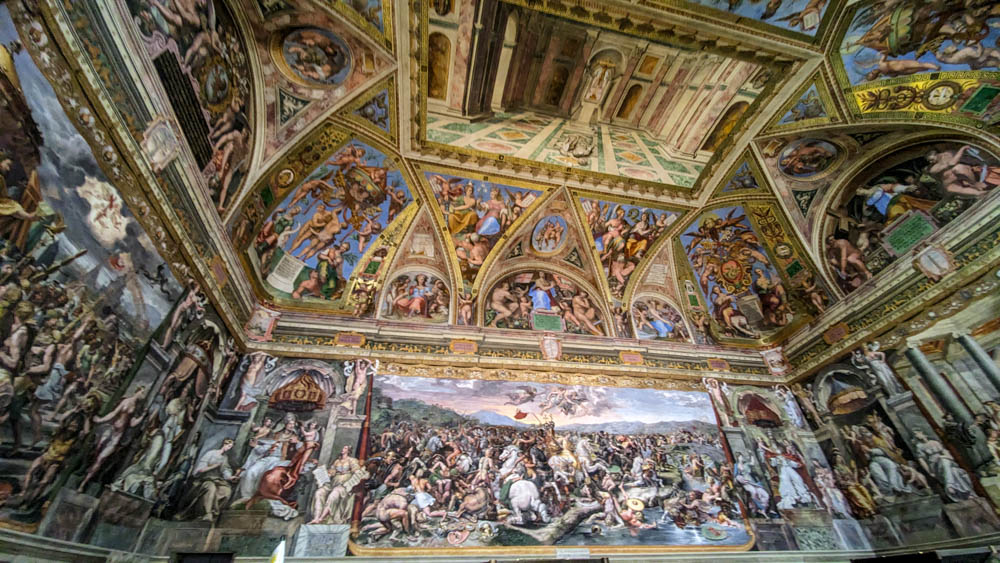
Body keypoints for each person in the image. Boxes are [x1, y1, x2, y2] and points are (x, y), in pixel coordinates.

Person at [175, 439, 240, 521]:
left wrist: (230, 477)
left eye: (231, 447)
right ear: (224, 444)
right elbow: (200, 470)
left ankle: (214, 512)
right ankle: (207, 513)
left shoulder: (224, 458)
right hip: (204, 479)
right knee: (211, 488)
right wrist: (214, 466)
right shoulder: (211, 453)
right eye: (228, 446)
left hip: (217, 480)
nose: (229, 448)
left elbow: (225, 470)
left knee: (226, 491)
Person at [913, 430, 976, 502]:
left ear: (922, 433)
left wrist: (942, 457)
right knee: (954, 471)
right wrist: (930, 472)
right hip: (935, 465)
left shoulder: (935, 442)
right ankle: (966, 493)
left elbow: (949, 456)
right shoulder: (920, 447)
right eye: (915, 435)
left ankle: (953, 486)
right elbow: (922, 461)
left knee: (952, 467)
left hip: (946, 462)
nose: (916, 436)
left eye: (917, 433)